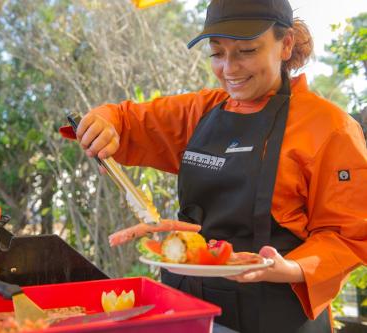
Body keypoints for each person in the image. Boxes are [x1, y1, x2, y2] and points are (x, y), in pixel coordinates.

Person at [74, 0, 367, 332]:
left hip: (274, 310)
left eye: (246, 51)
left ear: (285, 45)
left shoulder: (330, 127)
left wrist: (290, 267)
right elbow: (125, 120)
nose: (229, 68)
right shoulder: (201, 111)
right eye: (217, 53)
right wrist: (102, 124)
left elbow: (347, 235)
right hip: (190, 309)